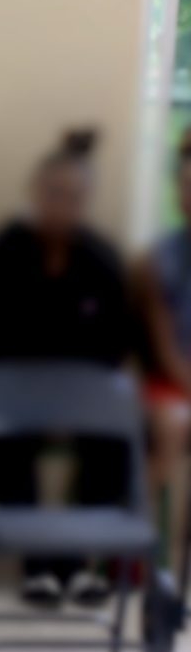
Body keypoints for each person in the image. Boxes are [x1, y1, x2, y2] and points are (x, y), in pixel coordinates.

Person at [0, 129, 139, 611]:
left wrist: (74, 401)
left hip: (81, 397)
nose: (62, 205)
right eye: (53, 193)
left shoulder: (101, 260)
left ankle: (77, 565)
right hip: (11, 394)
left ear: (87, 201)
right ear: (34, 193)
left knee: (114, 444)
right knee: (5, 445)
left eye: (74, 197)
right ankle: (36, 566)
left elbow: (116, 344)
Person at [131, 126, 191, 575]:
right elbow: (164, 347)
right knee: (173, 425)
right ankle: (150, 558)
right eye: (186, 185)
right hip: (170, 381)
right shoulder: (158, 259)